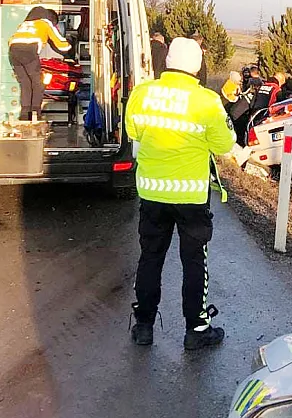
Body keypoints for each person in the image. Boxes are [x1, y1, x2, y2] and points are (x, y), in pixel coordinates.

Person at [125, 37, 236, 350]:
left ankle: (144, 326)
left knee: (150, 258)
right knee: (193, 263)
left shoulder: (142, 93)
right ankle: (197, 329)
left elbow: (134, 131)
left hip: (151, 192)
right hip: (190, 197)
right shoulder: (206, 101)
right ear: (197, 66)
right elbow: (225, 144)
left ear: (168, 62)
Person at [9, 6, 72, 121]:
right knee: (38, 83)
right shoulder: (45, 23)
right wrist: (69, 48)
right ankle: (35, 114)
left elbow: (12, 40)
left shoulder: (24, 24)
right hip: (28, 51)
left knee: (25, 83)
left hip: (13, 51)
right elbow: (61, 43)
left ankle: (24, 115)